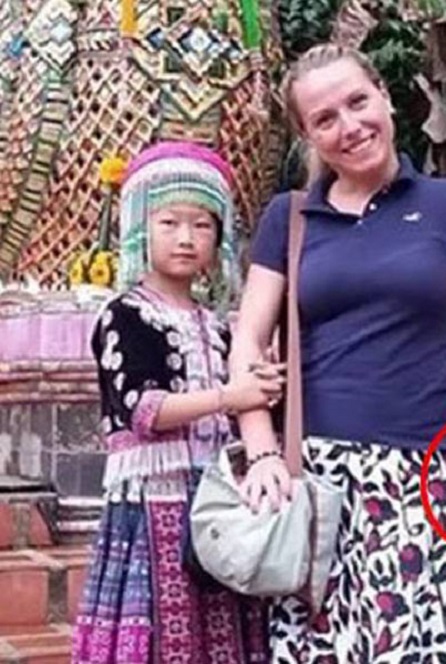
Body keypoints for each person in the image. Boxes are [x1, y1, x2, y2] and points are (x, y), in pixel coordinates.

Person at [230, 43, 446, 662]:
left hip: (421, 479)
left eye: (358, 102)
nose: (350, 126)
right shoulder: (289, 217)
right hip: (313, 489)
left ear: (385, 97)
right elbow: (248, 341)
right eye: (324, 119)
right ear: (307, 136)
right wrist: (261, 453)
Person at [72, 141, 283, 663]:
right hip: (152, 501)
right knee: (158, 634)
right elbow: (144, 411)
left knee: (221, 629)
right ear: (140, 229)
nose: (186, 238)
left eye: (202, 225)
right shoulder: (125, 315)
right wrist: (231, 397)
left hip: (219, 499)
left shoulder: (219, 326)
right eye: (169, 223)